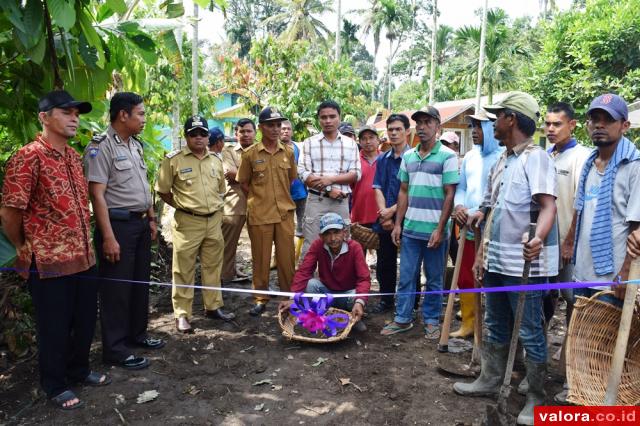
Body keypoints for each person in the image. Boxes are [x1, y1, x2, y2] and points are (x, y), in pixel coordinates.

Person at [454, 91, 558, 426]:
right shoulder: (503, 159)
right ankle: (490, 378)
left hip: (523, 263)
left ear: (511, 119)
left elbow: (548, 206)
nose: (493, 123)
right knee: (496, 323)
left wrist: (538, 237)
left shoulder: (536, 158)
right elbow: (490, 204)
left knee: (528, 329)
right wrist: (477, 217)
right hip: (497, 259)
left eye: (497, 116)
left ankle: (537, 397)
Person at [0, 90, 110, 409]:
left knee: (86, 318)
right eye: (66, 112)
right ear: (44, 117)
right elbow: (10, 212)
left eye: (77, 112)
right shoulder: (28, 156)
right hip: (48, 261)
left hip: (83, 256)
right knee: (55, 325)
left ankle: (79, 370)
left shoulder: (74, 158)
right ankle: (54, 383)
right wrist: (23, 246)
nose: (74, 117)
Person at [84, 92, 164, 371]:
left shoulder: (135, 145)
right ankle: (115, 349)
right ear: (123, 115)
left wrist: (152, 218)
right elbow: (97, 195)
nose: (144, 119)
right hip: (117, 226)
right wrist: (107, 236)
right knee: (116, 289)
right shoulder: (101, 146)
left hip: (140, 224)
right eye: (140, 114)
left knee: (138, 284)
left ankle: (137, 335)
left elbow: (143, 184)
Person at [381, 105, 459, 339]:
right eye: (419, 123)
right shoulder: (409, 156)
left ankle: (431, 320)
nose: (423, 127)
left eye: (428, 122)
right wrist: (397, 224)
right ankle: (403, 318)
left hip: (436, 232)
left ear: (438, 126)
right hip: (412, 229)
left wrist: (440, 228)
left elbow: (450, 195)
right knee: (406, 276)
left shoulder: (448, 156)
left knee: (434, 279)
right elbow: (403, 192)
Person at [156, 115, 235, 333]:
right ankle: (182, 314)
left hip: (213, 221)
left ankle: (213, 306)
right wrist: (183, 206)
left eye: (202, 134)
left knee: (213, 266)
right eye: (194, 134)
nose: (198, 138)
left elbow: (220, 189)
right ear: (186, 136)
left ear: (208, 136)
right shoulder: (173, 160)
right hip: (188, 222)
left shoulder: (216, 161)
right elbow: (163, 191)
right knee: (183, 269)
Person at [540, 102, 591, 402]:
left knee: (575, 305)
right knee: (544, 303)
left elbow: (580, 206)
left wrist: (570, 243)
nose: (550, 129)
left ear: (572, 125)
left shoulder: (580, 157)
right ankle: (544, 365)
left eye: (557, 124)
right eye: (547, 123)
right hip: (545, 247)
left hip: (569, 248)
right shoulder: (546, 156)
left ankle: (572, 376)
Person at [570, 94, 638, 303]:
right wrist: (567, 244)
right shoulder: (589, 163)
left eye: (608, 120)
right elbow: (580, 209)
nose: (599, 125)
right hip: (581, 273)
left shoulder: (634, 166)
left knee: (605, 336)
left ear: (624, 126)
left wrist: (626, 273)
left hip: (612, 280)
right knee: (578, 335)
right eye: (594, 119)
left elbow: (637, 228)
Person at [236, 107, 297, 316]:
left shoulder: (288, 152)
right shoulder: (250, 154)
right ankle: (261, 299)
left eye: (278, 125)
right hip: (260, 215)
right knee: (260, 259)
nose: (275, 129)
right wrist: (259, 200)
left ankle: (288, 298)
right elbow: (244, 182)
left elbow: (291, 179)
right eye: (270, 125)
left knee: (287, 260)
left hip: (284, 215)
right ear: (261, 127)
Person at [451, 109, 503, 338]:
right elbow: (461, 187)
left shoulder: (502, 156)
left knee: (490, 278)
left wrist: (478, 211)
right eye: (473, 127)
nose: (474, 132)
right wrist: (459, 207)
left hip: (491, 228)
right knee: (464, 276)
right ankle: (469, 323)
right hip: (467, 227)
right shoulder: (470, 157)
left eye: (480, 127)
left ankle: (491, 328)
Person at [282, 212, 370, 332]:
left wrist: (360, 302)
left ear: (344, 232)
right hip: (326, 292)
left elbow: (364, 278)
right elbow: (304, 271)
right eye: (327, 234)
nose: (333, 238)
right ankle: (319, 315)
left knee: (357, 295)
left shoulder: (355, 247)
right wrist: (293, 298)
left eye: (336, 232)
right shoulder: (318, 245)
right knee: (311, 284)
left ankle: (353, 316)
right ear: (321, 236)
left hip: (347, 294)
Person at [299, 100, 361, 260]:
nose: (328, 121)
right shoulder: (309, 143)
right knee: (311, 247)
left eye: (332, 116)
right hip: (316, 202)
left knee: (342, 245)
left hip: (341, 203)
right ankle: (307, 284)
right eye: (323, 117)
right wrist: (328, 189)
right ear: (318, 119)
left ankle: (338, 284)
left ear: (339, 118)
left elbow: (355, 174)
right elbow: (304, 174)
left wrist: (329, 179)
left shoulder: (351, 144)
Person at [371, 113, 417, 314]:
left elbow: (413, 191)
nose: (394, 133)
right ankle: (386, 300)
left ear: (407, 131)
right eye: (391, 129)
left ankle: (411, 304)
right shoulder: (383, 159)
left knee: (410, 263)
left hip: (408, 218)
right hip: (385, 219)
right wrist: (384, 214)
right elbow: (377, 186)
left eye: (398, 129)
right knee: (384, 263)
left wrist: (391, 211)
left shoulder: (415, 158)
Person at [220, 119, 255, 283]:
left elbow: (237, 175)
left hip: (258, 203)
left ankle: (259, 279)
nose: (246, 134)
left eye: (249, 131)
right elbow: (230, 173)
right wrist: (255, 176)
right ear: (236, 134)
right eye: (242, 131)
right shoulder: (228, 151)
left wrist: (240, 176)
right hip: (234, 203)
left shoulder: (261, 151)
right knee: (228, 243)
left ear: (255, 133)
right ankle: (225, 277)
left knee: (260, 243)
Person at [281, 119, 308, 261]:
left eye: (288, 129)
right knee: (283, 227)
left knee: (302, 225)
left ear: (292, 131)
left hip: (301, 193)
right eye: (283, 128)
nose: (285, 131)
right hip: (282, 194)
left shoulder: (299, 147)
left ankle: (296, 258)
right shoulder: (275, 149)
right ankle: (281, 257)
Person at [350, 125, 380, 240]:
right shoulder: (354, 160)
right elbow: (349, 188)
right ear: (359, 142)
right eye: (364, 138)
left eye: (371, 137)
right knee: (358, 254)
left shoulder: (385, 158)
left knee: (383, 254)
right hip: (359, 215)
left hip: (381, 215)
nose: (368, 141)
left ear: (378, 140)